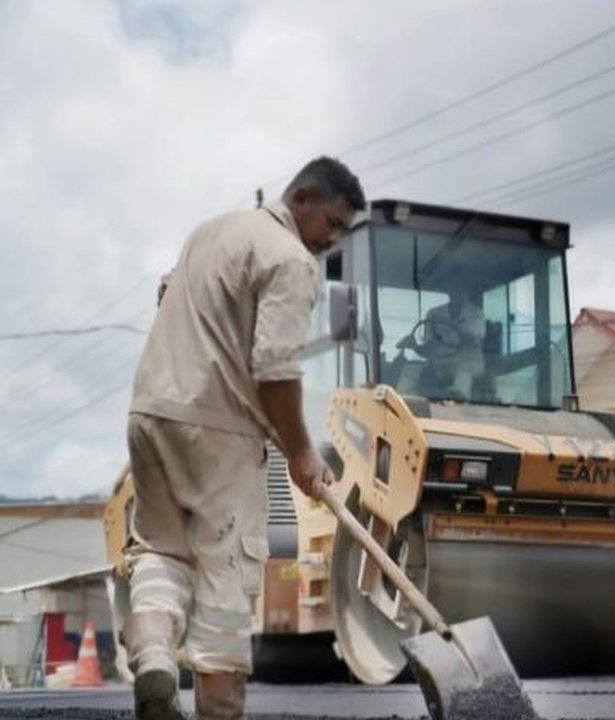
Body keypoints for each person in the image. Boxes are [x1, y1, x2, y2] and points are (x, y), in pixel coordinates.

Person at [125, 157, 364, 720]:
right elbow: (276, 368)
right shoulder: (290, 261)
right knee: (226, 582)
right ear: (300, 199)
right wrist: (303, 452)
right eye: (332, 223)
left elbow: (169, 302)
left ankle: (155, 658)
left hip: (150, 416)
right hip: (218, 437)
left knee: (161, 553)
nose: (333, 239)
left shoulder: (209, 232)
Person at [421, 287, 486, 397]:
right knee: (412, 368)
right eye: (455, 289)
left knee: (463, 372)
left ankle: (458, 397)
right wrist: (413, 346)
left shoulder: (477, 314)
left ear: (467, 293)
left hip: (467, 361)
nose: (458, 294)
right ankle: (396, 404)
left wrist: (455, 326)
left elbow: (476, 340)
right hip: (440, 362)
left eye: (462, 290)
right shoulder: (434, 314)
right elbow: (429, 344)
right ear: (449, 292)